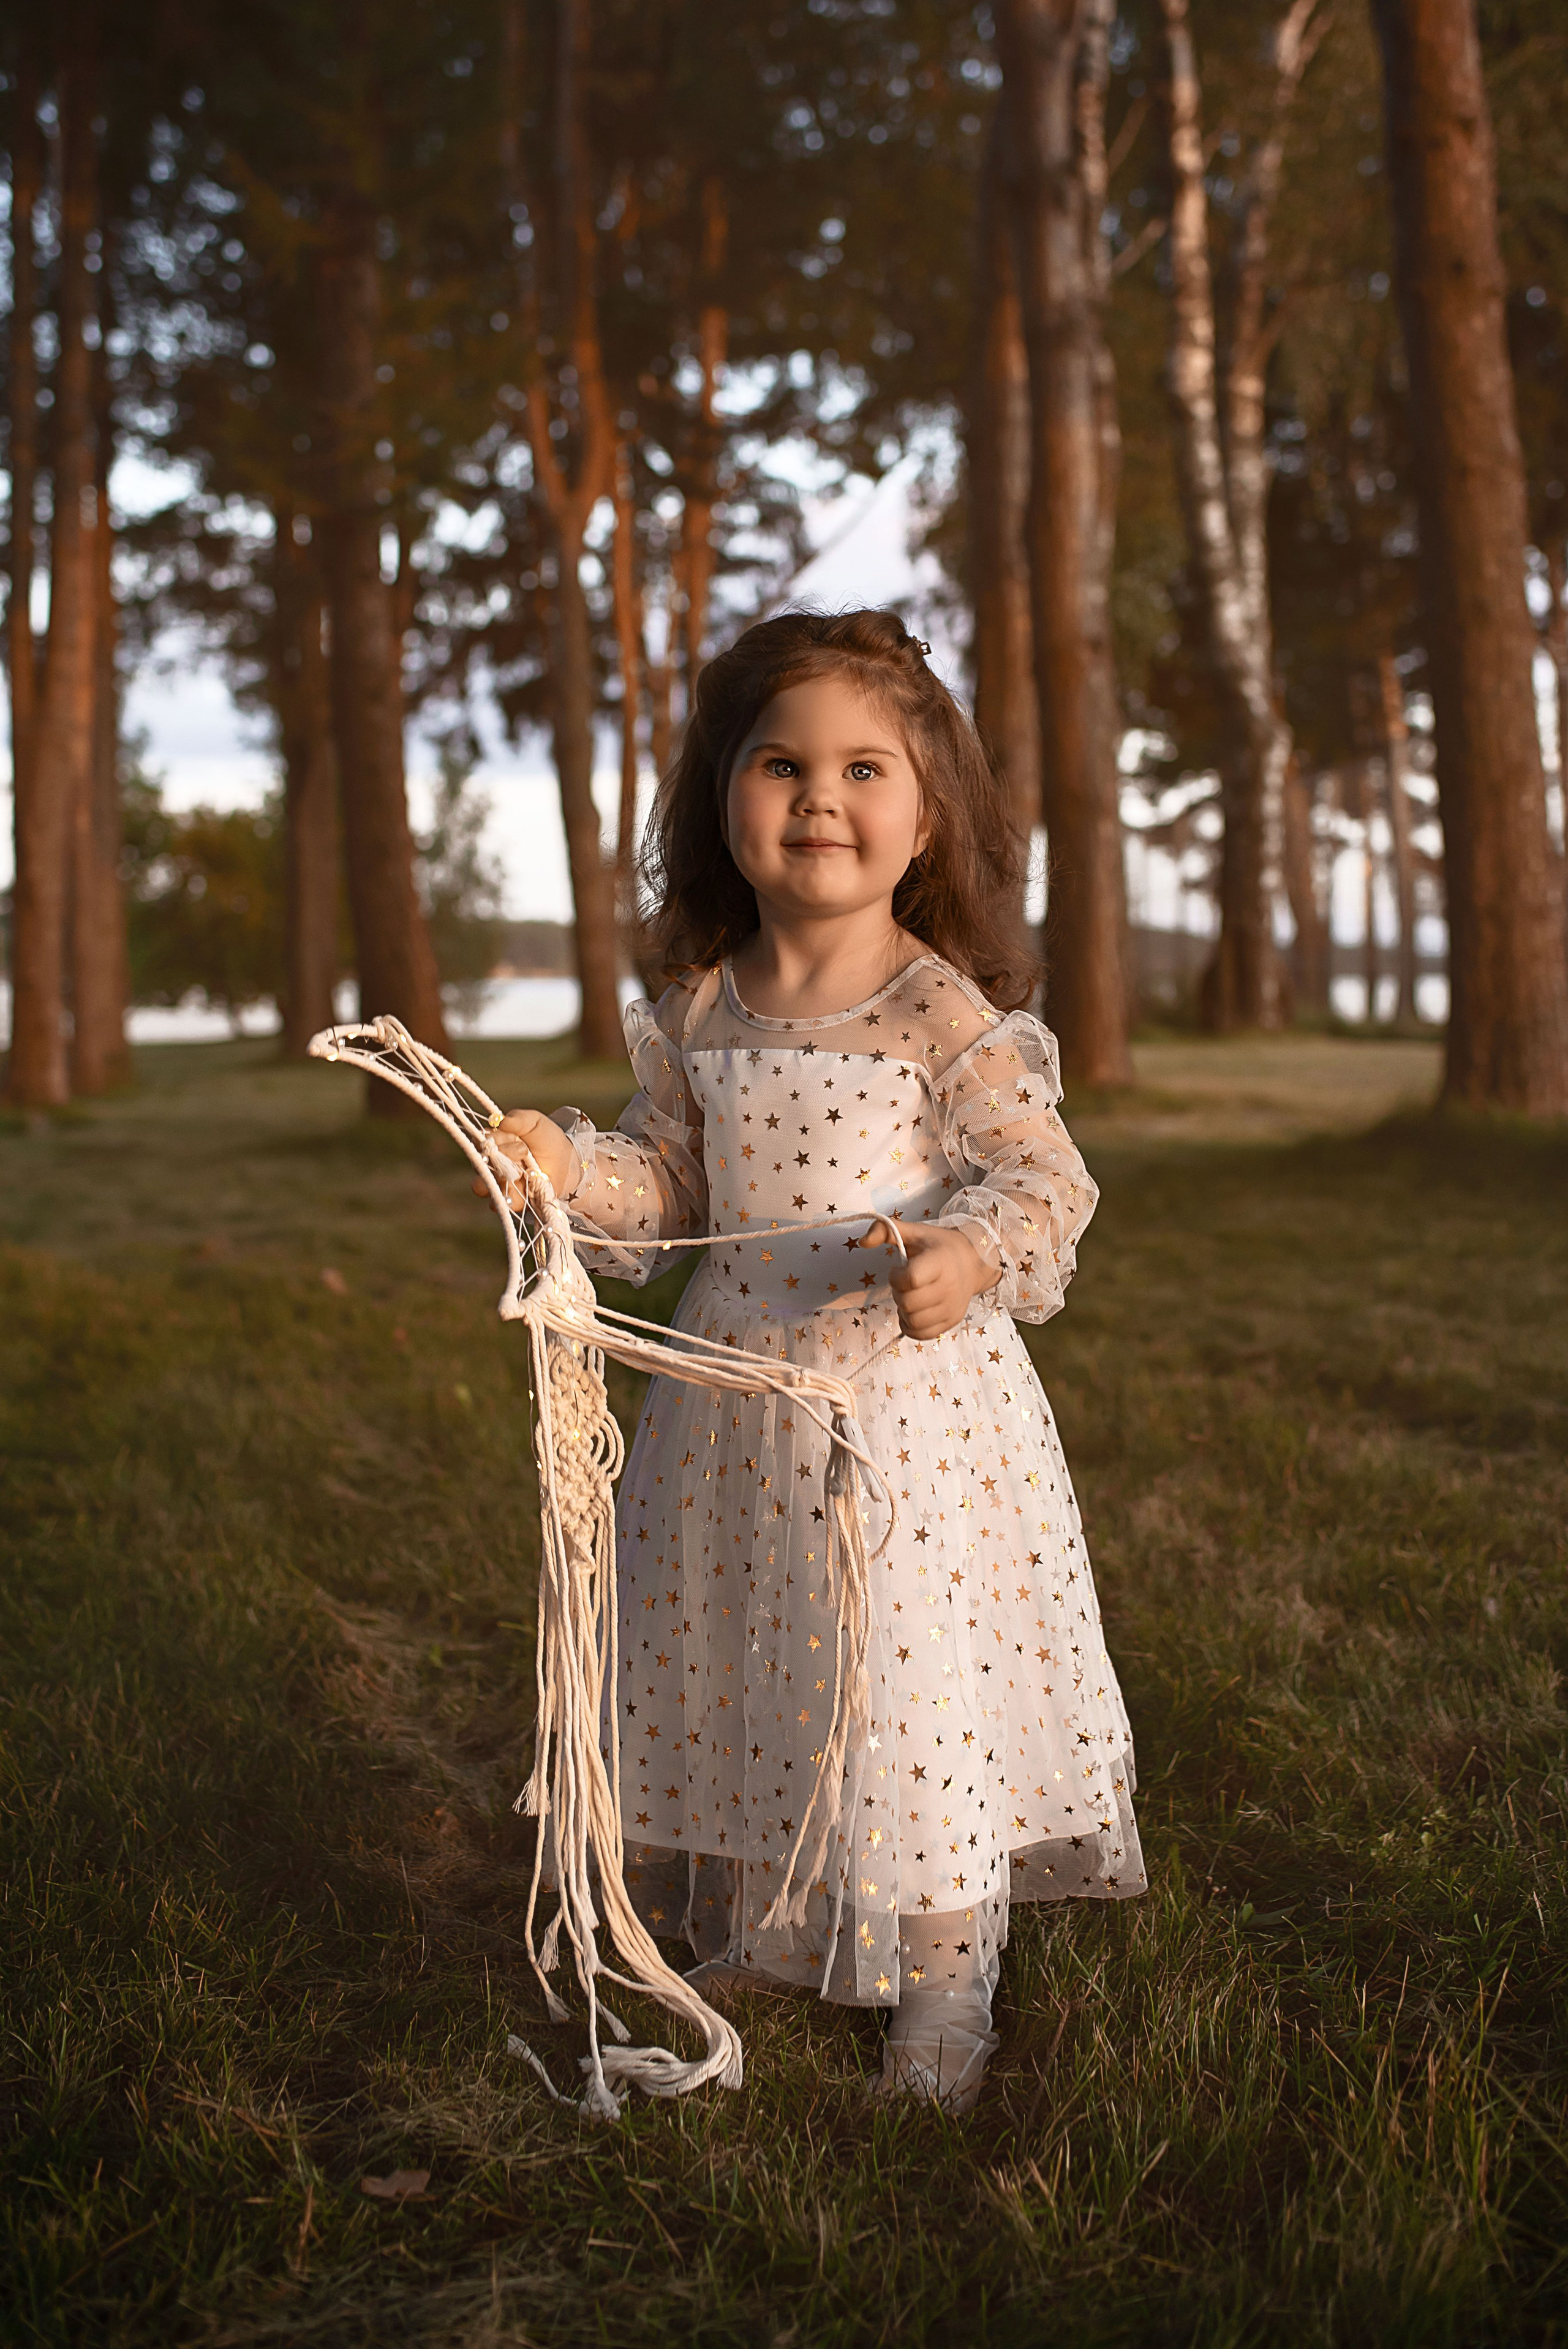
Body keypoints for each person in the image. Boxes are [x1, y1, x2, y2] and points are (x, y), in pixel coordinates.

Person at [493, 609, 1145, 2114]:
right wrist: (560, 1166)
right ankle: (778, 1917)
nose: (819, 799)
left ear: (926, 818)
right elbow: (669, 1190)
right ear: (722, 794)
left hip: (901, 1420)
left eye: (863, 768)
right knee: (753, 1653)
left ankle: (939, 1976)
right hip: (729, 1407)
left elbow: (1042, 1183)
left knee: (897, 1680)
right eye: (780, 762)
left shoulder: (937, 1012)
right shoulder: (703, 1008)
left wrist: (968, 1252)